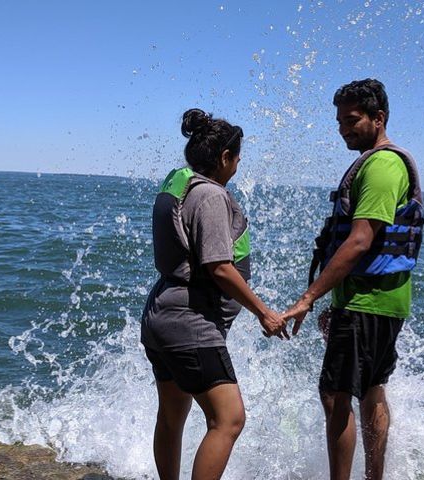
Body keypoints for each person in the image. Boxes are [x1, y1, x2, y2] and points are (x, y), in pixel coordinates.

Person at [283, 79, 424, 480]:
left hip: (367, 304)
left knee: (335, 395)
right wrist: (335, 303)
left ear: (378, 118)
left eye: (352, 120)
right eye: (339, 121)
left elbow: (361, 240)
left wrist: (308, 298)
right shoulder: (380, 162)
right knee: (372, 390)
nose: (343, 128)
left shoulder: (381, 166)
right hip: (379, 303)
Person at [141, 108, 288, 480]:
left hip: (162, 314)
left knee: (172, 416)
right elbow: (219, 266)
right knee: (229, 419)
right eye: (237, 158)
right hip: (189, 323)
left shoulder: (180, 184)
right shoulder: (209, 196)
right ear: (225, 158)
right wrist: (264, 312)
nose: (238, 165)